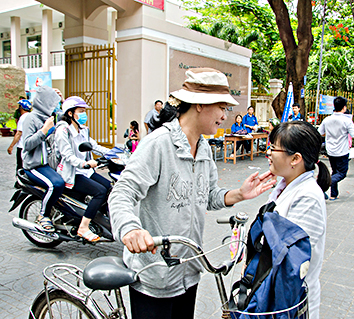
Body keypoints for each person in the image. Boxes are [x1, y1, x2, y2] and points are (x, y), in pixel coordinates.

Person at [108, 67, 275, 319]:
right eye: (221, 107)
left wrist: (240, 194)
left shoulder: (204, 147)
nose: (224, 116)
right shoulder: (158, 144)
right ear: (199, 104)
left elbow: (207, 196)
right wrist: (130, 229)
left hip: (189, 271)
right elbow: (122, 191)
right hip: (155, 274)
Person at [266, 121, 331, 319]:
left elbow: (292, 257)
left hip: (290, 299)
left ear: (295, 159)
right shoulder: (284, 185)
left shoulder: (308, 197)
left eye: (274, 148)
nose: (268, 153)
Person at [55, 96, 112, 242]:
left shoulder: (83, 130)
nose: (83, 114)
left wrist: (115, 153)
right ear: (70, 113)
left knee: (109, 187)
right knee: (100, 192)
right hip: (73, 172)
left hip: (86, 171)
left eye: (84, 111)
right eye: (80, 111)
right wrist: (83, 163)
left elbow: (94, 146)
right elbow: (67, 155)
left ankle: (98, 219)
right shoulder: (63, 130)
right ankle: (84, 227)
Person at [21, 86, 65, 232]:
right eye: (52, 103)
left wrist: (62, 100)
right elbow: (27, 145)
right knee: (56, 184)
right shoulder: (30, 118)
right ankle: (43, 215)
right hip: (35, 165)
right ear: (45, 102)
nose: (55, 106)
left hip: (49, 164)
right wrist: (44, 131)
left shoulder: (50, 117)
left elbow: (66, 118)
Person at [318, 96, 354, 201]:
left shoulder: (327, 119)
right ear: (344, 108)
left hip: (330, 150)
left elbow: (320, 133)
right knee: (342, 173)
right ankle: (323, 184)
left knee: (335, 171)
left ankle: (333, 194)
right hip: (342, 151)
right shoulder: (346, 120)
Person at [8, 99, 32, 174]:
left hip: (22, 146)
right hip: (29, 145)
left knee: (20, 165)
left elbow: (19, 133)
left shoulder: (22, 118)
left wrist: (11, 146)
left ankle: (19, 181)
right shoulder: (31, 117)